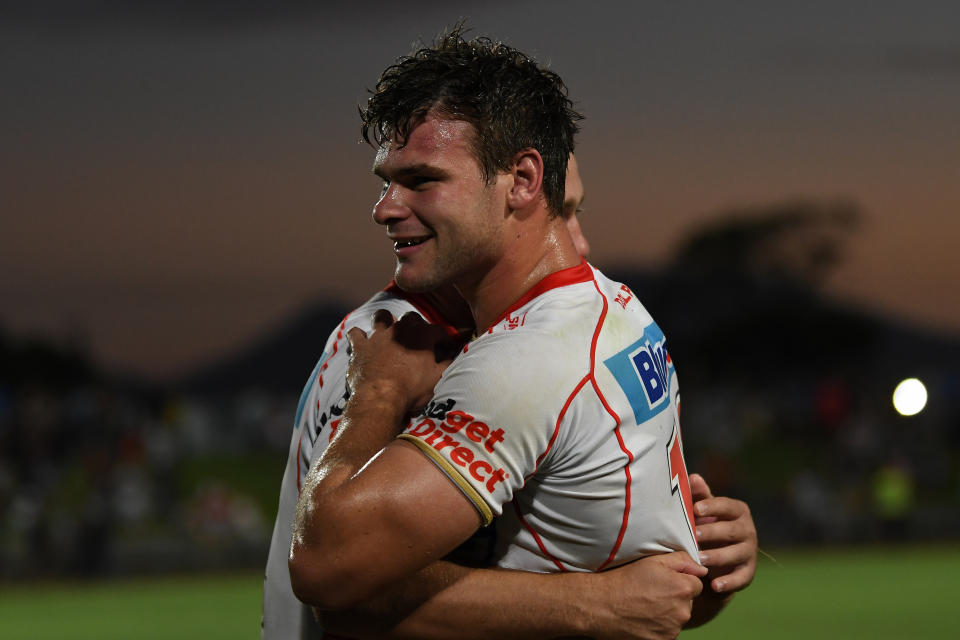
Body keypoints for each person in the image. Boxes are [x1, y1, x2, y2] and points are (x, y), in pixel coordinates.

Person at [282, 29, 757, 637]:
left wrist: (376, 391)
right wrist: (680, 574)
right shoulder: (621, 311)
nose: (384, 207)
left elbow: (329, 571)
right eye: (386, 180)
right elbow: (661, 595)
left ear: (523, 181)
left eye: (422, 179)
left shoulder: (507, 359)